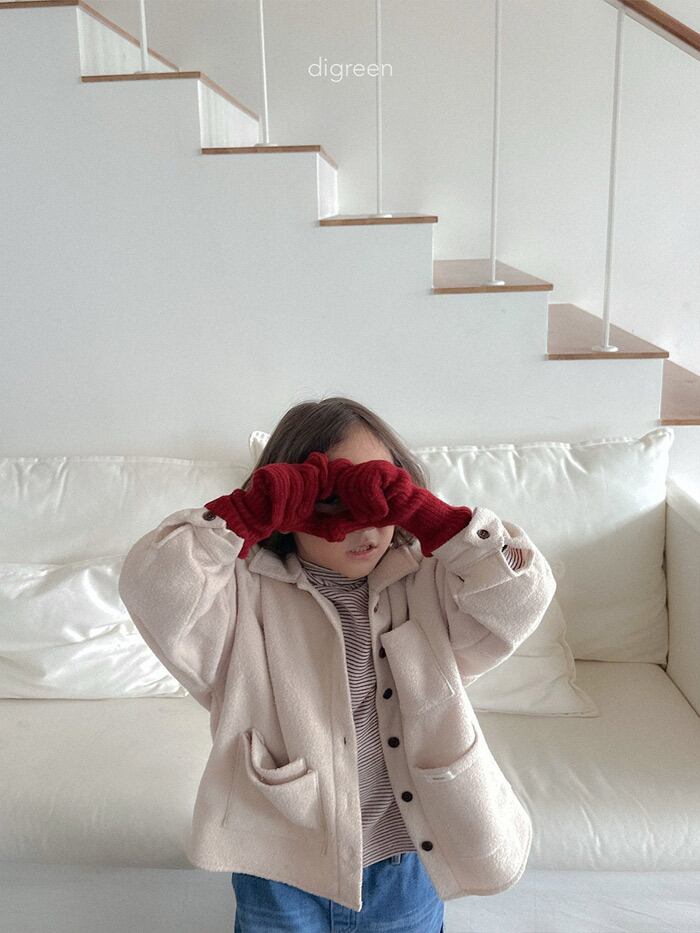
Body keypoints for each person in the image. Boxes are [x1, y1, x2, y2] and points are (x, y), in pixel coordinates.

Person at [118, 395, 556, 933]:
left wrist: (434, 519)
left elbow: (522, 596)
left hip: (408, 853)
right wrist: (244, 512)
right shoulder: (242, 593)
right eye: (334, 501)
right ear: (289, 505)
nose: (364, 526)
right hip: (280, 862)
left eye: (381, 494)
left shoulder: (429, 580)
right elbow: (153, 589)